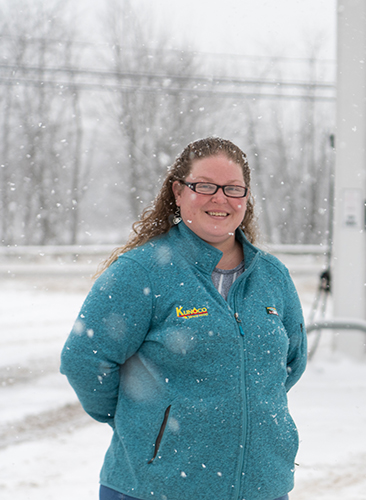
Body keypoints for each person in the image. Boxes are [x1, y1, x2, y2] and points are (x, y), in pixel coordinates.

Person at [60, 137, 307, 500]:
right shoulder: (140, 272)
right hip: (155, 489)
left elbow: (290, 364)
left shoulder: (273, 276)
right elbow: (85, 360)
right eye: (204, 186)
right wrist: (146, 424)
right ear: (178, 191)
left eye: (233, 189)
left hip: (262, 488)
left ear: (246, 197)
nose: (220, 198)